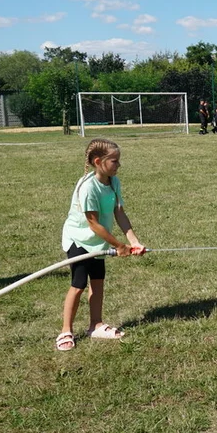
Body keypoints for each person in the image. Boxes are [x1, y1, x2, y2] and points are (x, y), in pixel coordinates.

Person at [56, 139, 144, 351]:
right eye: (114, 161)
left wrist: (133, 241)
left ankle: (95, 325)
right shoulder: (88, 187)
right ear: (98, 161)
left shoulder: (113, 182)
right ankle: (65, 331)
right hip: (80, 239)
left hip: (98, 241)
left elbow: (119, 212)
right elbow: (93, 224)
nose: (118, 165)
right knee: (78, 285)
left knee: (98, 281)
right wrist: (118, 245)